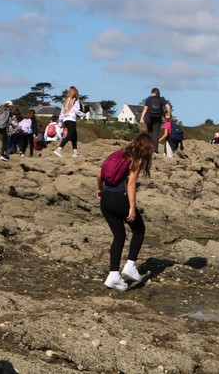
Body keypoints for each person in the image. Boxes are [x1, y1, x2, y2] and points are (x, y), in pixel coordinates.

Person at [97, 133, 154, 290]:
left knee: (119, 236)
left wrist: (100, 189)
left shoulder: (117, 154)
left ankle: (113, 276)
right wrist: (132, 207)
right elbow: (131, 184)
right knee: (139, 230)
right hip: (119, 199)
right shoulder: (136, 159)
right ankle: (130, 266)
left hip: (105, 199)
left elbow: (99, 175)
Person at [54, 86, 85, 158]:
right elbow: (76, 110)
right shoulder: (75, 100)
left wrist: (60, 123)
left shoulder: (65, 101)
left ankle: (75, 152)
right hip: (71, 119)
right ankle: (59, 149)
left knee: (74, 135)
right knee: (69, 135)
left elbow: (62, 113)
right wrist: (83, 114)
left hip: (66, 119)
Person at [139, 88, 171, 154]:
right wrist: (169, 114)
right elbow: (168, 106)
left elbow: (145, 109)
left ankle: (150, 148)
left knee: (150, 132)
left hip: (149, 117)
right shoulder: (161, 99)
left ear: (153, 93)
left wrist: (142, 118)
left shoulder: (149, 99)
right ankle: (155, 150)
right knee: (156, 134)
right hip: (158, 118)